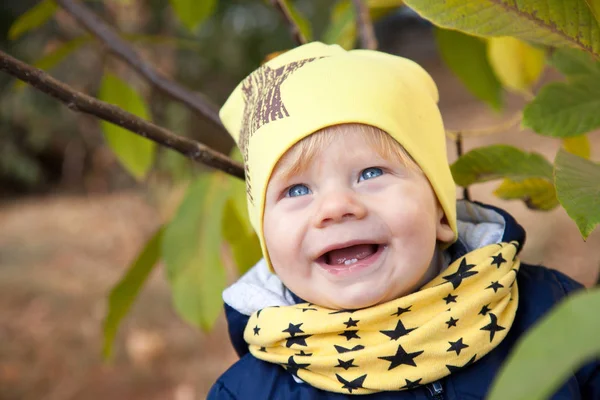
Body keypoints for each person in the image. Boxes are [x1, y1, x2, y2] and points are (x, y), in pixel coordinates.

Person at [207, 42, 599, 399]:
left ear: (442, 212)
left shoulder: (548, 312)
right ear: (268, 246)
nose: (337, 207)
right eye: (296, 191)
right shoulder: (248, 393)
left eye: (371, 173)